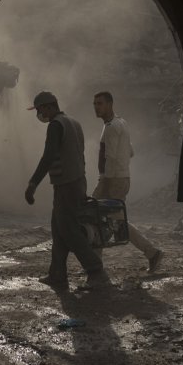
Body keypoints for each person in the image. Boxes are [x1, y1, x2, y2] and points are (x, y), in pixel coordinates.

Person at [24, 91, 111, 291]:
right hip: (77, 181)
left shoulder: (56, 125)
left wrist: (33, 183)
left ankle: (96, 270)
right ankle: (57, 274)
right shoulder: (73, 121)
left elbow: (48, 156)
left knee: (69, 230)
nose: (39, 114)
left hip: (67, 185)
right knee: (58, 227)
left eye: (39, 110)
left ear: (47, 107)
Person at [92, 91, 164, 272]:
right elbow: (130, 151)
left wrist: (104, 181)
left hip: (112, 180)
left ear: (109, 104)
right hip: (120, 178)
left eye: (100, 103)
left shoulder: (110, 127)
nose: (96, 107)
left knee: (96, 215)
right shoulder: (121, 123)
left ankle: (95, 266)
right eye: (95, 103)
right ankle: (95, 265)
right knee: (107, 218)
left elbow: (111, 157)